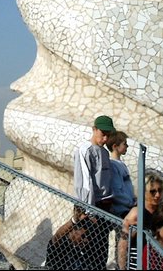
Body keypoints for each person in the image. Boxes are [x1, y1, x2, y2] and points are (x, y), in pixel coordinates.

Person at [73, 114, 116, 269]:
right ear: (94, 129)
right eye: (102, 134)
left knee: (100, 253)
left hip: (104, 207)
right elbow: (85, 182)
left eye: (108, 135)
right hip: (90, 208)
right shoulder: (85, 150)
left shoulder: (104, 153)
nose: (105, 138)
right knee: (87, 251)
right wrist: (89, 211)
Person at [119, 172, 163, 269]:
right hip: (137, 264)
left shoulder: (162, 213)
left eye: (160, 190)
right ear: (143, 192)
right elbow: (123, 245)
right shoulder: (137, 213)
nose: (157, 195)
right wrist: (122, 268)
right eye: (152, 191)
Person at [45, 205, 90, 269]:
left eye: (87, 236)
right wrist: (74, 220)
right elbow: (56, 237)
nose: (85, 240)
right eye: (83, 236)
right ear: (74, 232)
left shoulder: (87, 252)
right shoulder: (63, 245)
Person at [107, 130, 135, 218]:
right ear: (115, 146)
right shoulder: (113, 165)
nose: (127, 146)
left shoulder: (120, 164)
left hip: (127, 207)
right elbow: (116, 191)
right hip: (121, 210)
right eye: (124, 144)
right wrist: (130, 203)